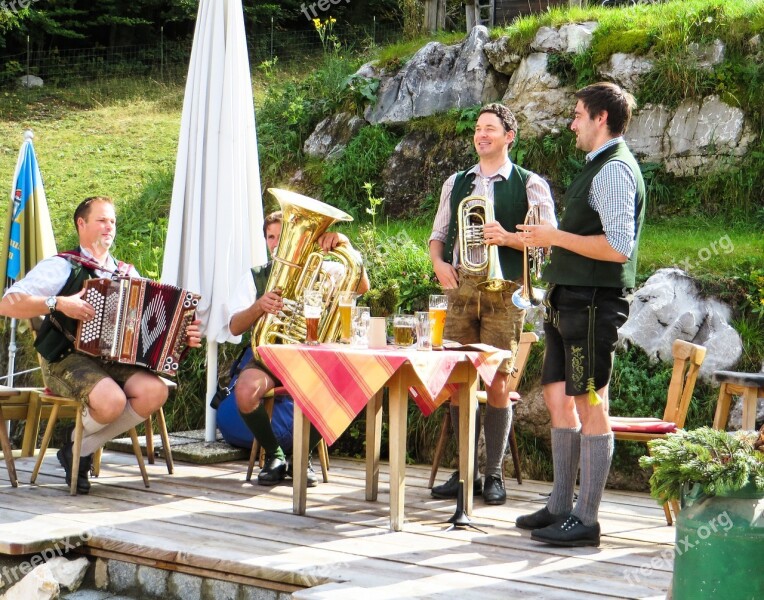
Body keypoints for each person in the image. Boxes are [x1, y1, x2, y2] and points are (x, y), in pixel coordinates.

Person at [515, 82, 646, 547]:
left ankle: (586, 518)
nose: (572, 123)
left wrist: (553, 236)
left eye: (577, 115)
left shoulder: (613, 171)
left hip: (593, 303)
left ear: (600, 119)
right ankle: (559, 505)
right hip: (570, 300)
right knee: (557, 396)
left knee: (592, 401)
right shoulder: (598, 166)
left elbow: (617, 247)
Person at [0, 196, 202, 494]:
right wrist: (58, 303)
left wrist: (182, 333)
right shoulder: (62, 267)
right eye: (102, 220)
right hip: (64, 358)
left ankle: (76, 447)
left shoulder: (126, 273)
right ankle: (79, 449)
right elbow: (7, 303)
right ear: (81, 224)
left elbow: (151, 324)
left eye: (113, 221)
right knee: (112, 401)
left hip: (113, 360)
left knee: (155, 390)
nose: (110, 227)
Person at [428, 103, 556, 505]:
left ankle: (493, 472)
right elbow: (438, 235)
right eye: (478, 129)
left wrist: (509, 238)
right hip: (462, 289)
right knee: (456, 380)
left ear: (508, 137)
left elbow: (549, 240)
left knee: (498, 378)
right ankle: (464, 470)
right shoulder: (457, 182)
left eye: (490, 129)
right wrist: (438, 265)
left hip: (507, 290)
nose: (481, 135)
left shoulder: (531, 183)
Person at [226, 211, 369, 487]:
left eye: (285, 236)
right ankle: (275, 455)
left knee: (343, 391)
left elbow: (363, 285)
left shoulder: (327, 269)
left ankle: (302, 457)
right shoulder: (255, 277)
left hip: (311, 358)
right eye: (271, 237)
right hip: (268, 357)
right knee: (245, 391)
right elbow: (233, 327)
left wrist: (347, 245)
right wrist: (259, 306)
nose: (278, 243)